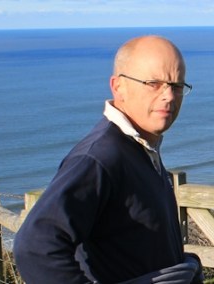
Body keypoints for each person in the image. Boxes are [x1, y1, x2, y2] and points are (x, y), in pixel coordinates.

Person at [13, 35, 203, 283]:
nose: (168, 95)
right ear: (118, 86)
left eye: (176, 85)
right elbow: (35, 247)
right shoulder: (98, 157)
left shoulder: (139, 147)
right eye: (153, 83)